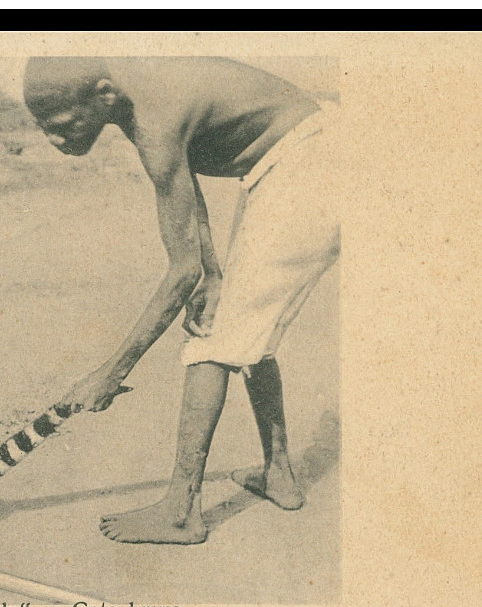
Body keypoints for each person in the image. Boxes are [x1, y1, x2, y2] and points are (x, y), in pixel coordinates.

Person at [23, 57, 340, 544]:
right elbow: (186, 197)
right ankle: (279, 474)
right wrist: (214, 272)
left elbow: (179, 274)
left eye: (64, 126)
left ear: (103, 95)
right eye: (46, 130)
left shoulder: (153, 117)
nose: (57, 141)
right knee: (243, 324)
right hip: (294, 162)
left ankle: (180, 512)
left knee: (215, 337)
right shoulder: (135, 98)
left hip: (313, 164)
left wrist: (110, 373)